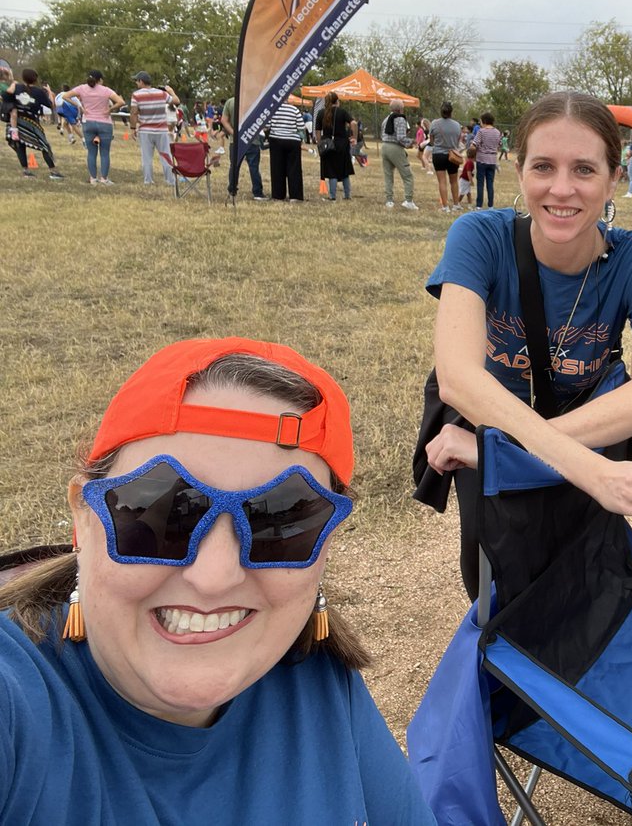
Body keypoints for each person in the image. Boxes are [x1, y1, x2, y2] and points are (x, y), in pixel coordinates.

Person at [0, 337, 436, 825]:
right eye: (162, 511)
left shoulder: (316, 680)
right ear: (85, 517)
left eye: (279, 522)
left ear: (325, 543)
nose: (214, 578)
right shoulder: (14, 701)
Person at [423, 90, 632, 598]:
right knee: (491, 582)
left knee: (582, 581)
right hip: (510, 437)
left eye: (584, 170)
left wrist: (501, 452)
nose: (561, 189)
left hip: (544, 434)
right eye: (544, 166)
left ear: (616, 178)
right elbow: (459, 380)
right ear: (518, 168)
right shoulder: (478, 237)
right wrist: (591, 471)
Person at [4, 67, 66, 180]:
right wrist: (49, 92)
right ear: (35, 79)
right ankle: (53, 171)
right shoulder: (39, 92)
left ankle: (26, 171)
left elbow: (5, 96)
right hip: (31, 122)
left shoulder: (17, 87)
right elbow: (51, 106)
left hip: (17, 121)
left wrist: (13, 83)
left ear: (23, 78)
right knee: (44, 146)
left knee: (20, 146)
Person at [64, 70, 124, 185]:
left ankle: (93, 178)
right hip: (104, 122)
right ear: (100, 80)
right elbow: (121, 102)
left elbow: (65, 96)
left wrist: (79, 106)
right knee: (105, 152)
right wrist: (110, 110)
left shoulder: (81, 88)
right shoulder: (106, 90)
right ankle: (104, 178)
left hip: (88, 122)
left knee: (91, 153)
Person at [130, 72, 180, 186]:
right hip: (161, 130)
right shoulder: (161, 93)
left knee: (146, 157)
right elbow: (176, 101)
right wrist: (171, 92)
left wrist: (133, 128)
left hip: (145, 130)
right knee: (166, 156)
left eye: (137, 81)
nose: (136, 83)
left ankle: (148, 180)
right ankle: (170, 180)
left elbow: (133, 112)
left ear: (141, 81)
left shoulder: (136, 95)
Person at [220, 94, 268, 201]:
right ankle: (258, 193)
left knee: (234, 166)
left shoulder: (230, 102)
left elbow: (224, 120)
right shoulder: (255, 101)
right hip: (252, 140)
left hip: (235, 141)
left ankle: (232, 190)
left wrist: (234, 133)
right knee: (254, 167)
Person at [381, 100, 418, 211]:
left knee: (388, 175)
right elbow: (401, 137)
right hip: (395, 148)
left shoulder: (386, 119)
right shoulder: (400, 119)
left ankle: (389, 200)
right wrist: (411, 142)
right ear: (401, 109)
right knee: (407, 175)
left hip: (385, 147)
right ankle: (408, 200)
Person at [318, 91, 355, 201]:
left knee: (331, 170)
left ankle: (332, 195)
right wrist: (354, 137)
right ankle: (347, 195)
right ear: (337, 101)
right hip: (342, 144)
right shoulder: (342, 112)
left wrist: (320, 143)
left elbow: (317, 131)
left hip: (327, 144)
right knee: (344, 169)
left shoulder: (321, 113)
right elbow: (354, 123)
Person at [429, 102, 462, 212]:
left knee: (442, 181)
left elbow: (431, 140)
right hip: (452, 155)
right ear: (451, 112)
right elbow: (458, 141)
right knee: (454, 181)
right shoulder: (457, 125)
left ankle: (445, 206)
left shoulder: (434, 123)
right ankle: (456, 204)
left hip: (438, 154)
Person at [470, 111, 502, 209]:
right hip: (492, 160)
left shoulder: (481, 131)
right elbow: (499, 145)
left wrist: (473, 150)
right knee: (490, 183)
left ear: (484, 121)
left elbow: (473, 145)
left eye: (480, 122)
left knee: (480, 183)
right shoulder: (497, 132)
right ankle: (490, 205)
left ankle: (479, 205)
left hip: (482, 159)